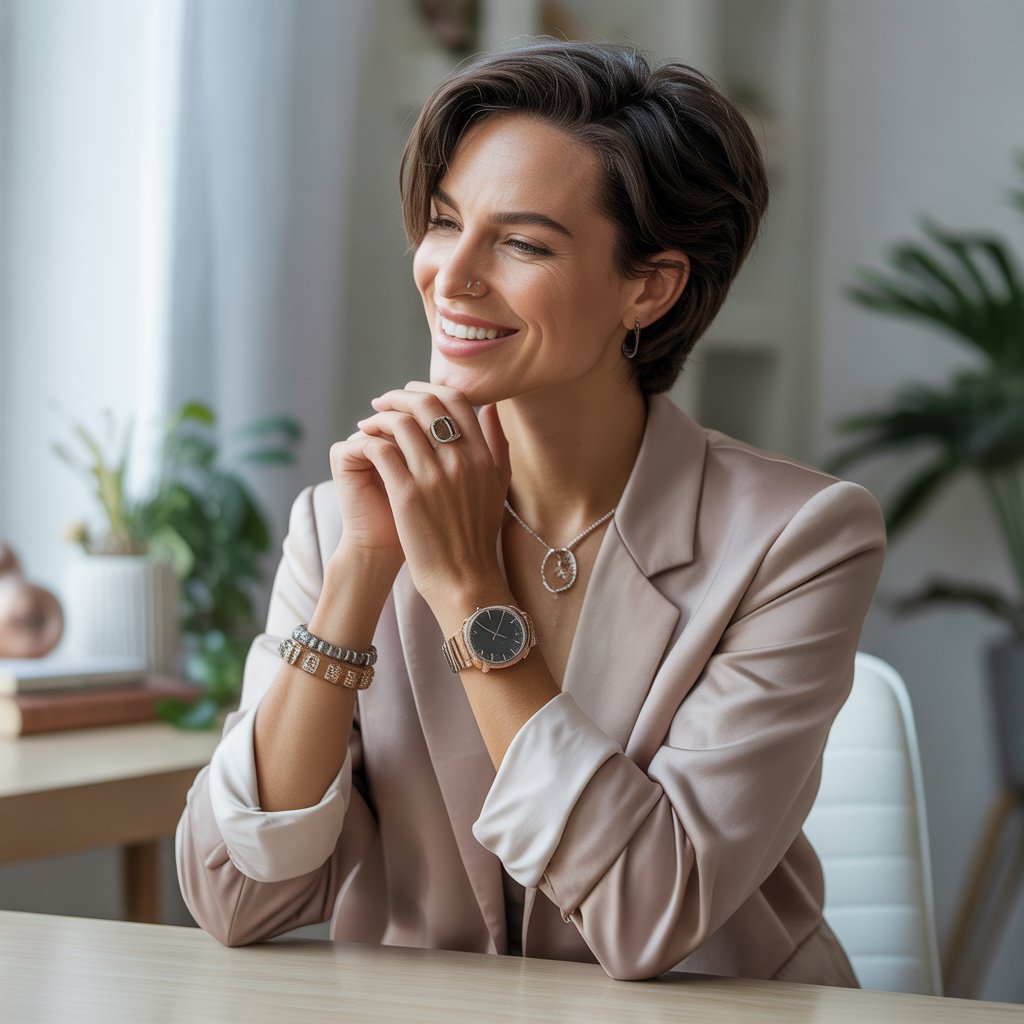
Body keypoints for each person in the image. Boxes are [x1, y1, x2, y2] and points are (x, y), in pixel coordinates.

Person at [175, 40, 884, 985]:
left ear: (651, 287)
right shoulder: (342, 517)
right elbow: (234, 897)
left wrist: (468, 591)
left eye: (522, 243)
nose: (451, 276)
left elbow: (647, 914)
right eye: (442, 221)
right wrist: (358, 574)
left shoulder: (800, 540)